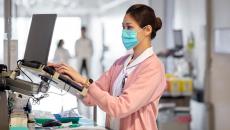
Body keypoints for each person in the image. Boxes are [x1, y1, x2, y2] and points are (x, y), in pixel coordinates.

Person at [50, 4, 166, 130]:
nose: (124, 32)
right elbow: (90, 98)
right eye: (123, 27)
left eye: (129, 27)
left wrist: (84, 81)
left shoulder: (153, 67)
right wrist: (64, 77)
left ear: (147, 30)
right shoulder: (120, 64)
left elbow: (121, 108)